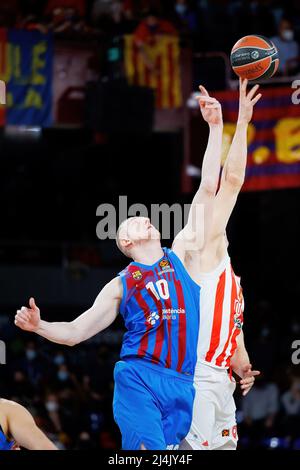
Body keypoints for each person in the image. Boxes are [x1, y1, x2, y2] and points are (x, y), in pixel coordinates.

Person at [15, 86, 223, 450]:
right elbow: (77, 331)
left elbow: (208, 187)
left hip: (182, 382)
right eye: (132, 221)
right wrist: (39, 325)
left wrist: (216, 127)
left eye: (144, 217)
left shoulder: (182, 255)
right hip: (138, 378)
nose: (143, 219)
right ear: (125, 243)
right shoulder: (121, 284)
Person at [180, 78, 261, 451]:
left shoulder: (230, 276)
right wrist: (238, 124)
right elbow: (225, 182)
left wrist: (243, 366)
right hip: (194, 379)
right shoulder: (199, 245)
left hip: (222, 384)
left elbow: (236, 335)